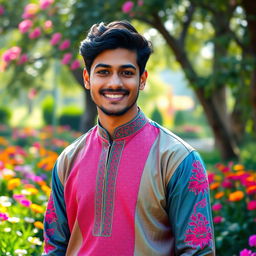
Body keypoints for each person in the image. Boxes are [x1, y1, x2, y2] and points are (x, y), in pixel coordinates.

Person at [42, 20, 215, 256]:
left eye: (126, 73)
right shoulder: (68, 161)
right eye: (103, 72)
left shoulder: (178, 160)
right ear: (87, 78)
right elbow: (54, 248)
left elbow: (198, 252)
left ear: (142, 80)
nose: (115, 83)